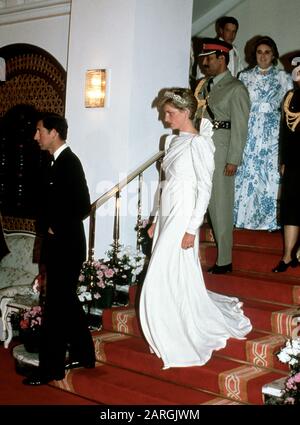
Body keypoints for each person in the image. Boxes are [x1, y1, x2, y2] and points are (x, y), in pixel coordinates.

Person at [139, 88, 251, 370]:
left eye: (170, 113)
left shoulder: (200, 144)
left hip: (185, 214)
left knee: (162, 272)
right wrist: (155, 219)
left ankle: (172, 332)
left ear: (187, 112)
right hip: (168, 211)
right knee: (168, 272)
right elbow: (164, 184)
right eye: (165, 113)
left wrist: (193, 228)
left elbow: (205, 188)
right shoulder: (169, 141)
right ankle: (166, 327)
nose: (166, 119)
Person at [23, 112, 95, 385]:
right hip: (57, 244)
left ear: (54, 132)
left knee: (54, 307)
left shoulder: (69, 162)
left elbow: (83, 206)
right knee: (65, 301)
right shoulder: (52, 162)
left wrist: (56, 226)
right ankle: (84, 354)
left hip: (67, 244)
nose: (35, 136)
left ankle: (50, 369)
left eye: (39, 130)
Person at [194, 38, 250, 274]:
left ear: (222, 58)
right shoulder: (203, 86)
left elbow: (240, 126)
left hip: (222, 150)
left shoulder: (236, 88)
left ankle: (225, 259)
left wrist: (233, 159)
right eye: (203, 59)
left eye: (209, 58)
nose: (205, 62)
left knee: (220, 204)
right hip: (201, 148)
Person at [234, 36, 293, 231]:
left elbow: (289, 106)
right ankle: (245, 218)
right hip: (250, 130)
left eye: (267, 52)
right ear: (254, 55)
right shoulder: (244, 76)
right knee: (250, 172)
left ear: (273, 54)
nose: (263, 56)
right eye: (259, 52)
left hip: (273, 131)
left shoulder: (283, 77)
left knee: (269, 173)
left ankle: (270, 220)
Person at [272, 58, 300, 272]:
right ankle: (288, 256)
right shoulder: (290, 97)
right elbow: (284, 131)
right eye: (297, 69)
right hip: (293, 161)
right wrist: (282, 159)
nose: (298, 72)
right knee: (290, 207)